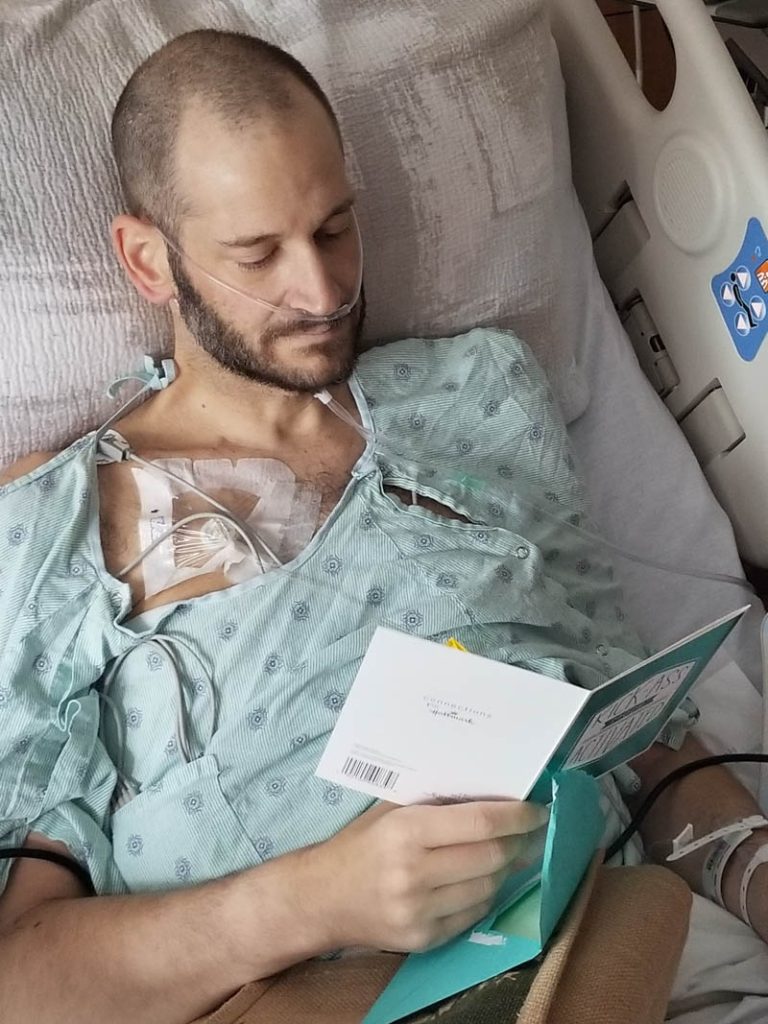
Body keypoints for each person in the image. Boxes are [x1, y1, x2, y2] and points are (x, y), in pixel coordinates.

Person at [0, 29, 766, 1024]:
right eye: (257, 254)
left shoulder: (482, 395)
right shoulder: (55, 534)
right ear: (149, 261)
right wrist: (318, 897)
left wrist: (749, 864)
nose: (322, 294)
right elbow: (19, 980)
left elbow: (632, 733)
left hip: (605, 958)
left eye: (334, 229)